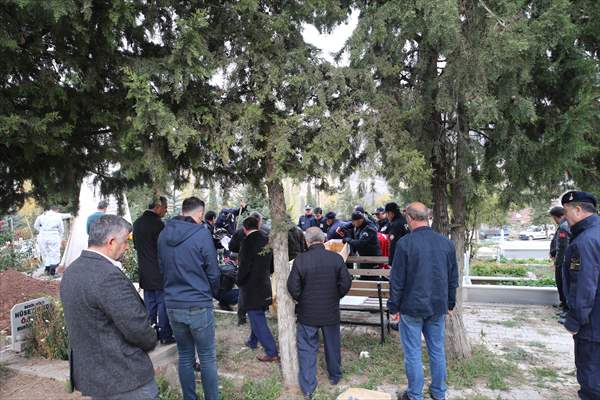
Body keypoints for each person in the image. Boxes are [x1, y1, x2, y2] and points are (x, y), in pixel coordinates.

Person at [61, 215, 158, 400]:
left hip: (94, 378)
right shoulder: (107, 276)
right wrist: (151, 338)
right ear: (111, 242)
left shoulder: (71, 272)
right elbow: (137, 329)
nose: (127, 247)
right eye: (125, 241)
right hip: (124, 378)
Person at [387, 202, 459, 400]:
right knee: (437, 350)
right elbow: (453, 278)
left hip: (411, 307)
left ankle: (415, 395)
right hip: (437, 306)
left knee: (413, 353)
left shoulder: (405, 243)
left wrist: (393, 306)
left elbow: (397, 280)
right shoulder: (446, 243)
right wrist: (450, 303)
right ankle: (438, 393)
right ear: (426, 217)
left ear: (409, 218)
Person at [158, 197, 221, 400]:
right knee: (207, 357)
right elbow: (213, 272)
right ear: (199, 214)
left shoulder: (163, 234)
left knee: (185, 355)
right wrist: (212, 292)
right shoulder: (201, 234)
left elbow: (162, 268)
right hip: (198, 303)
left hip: (173, 304)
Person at [287, 227, 352, 398]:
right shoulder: (336, 259)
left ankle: (308, 387)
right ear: (323, 239)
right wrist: (335, 296)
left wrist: (303, 299)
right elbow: (346, 283)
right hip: (330, 311)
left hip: (307, 312)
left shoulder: (300, 260)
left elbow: (292, 286)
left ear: (307, 241)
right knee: (332, 345)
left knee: (307, 348)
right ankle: (335, 376)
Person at [560, 191, 600, 400]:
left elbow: (584, 286)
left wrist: (574, 321)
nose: (565, 217)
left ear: (577, 209)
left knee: (591, 382)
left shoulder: (584, 242)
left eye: (566, 212)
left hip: (592, 325)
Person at [132, 196, 174, 344]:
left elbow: (136, 246)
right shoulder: (159, 225)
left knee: (150, 305)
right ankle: (165, 334)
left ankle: (151, 333)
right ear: (157, 207)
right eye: (164, 207)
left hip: (144, 270)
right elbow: (166, 249)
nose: (166, 210)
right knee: (163, 303)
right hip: (159, 271)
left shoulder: (137, 224)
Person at [237, 216, 279, 362]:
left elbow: (244, 266)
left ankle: (272, 351)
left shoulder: (247, 242)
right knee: (257, 314)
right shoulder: (266, 239)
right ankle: (253, 341)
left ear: (244, 229)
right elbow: (272, 263)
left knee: (257, 317)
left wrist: (239, 280)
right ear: (259, 225)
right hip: (265, 284)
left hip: (252, 286)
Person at [549, 206, 570, 313]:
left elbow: (562, 247)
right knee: (562, 284)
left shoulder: (564, 226)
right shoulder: (564, 225)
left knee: (562, 283)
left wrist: (557, 262)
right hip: (562, 261)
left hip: (562, 262)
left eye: (554, 218)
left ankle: (566, 308)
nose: (554, 221)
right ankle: (564, 305)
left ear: (559, 216)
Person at [34, 205, 64, 275]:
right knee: (54, 253)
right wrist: (60, 236)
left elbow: (35, 225)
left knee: (46, 253)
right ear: (56, 210)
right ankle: (53, 271)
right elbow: (61, 229)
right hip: (53, 235)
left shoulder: (41, 216)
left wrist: (42, 230)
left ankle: (47, 269)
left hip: (43, 236)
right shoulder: (57, 216)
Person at [385, 202, 410, 266]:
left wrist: (391, 261)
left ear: (390, 213)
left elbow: (393, 244)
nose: (386, 216)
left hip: (400, 258)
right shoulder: (406, 221)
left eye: (386, 213)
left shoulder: (396, 224)